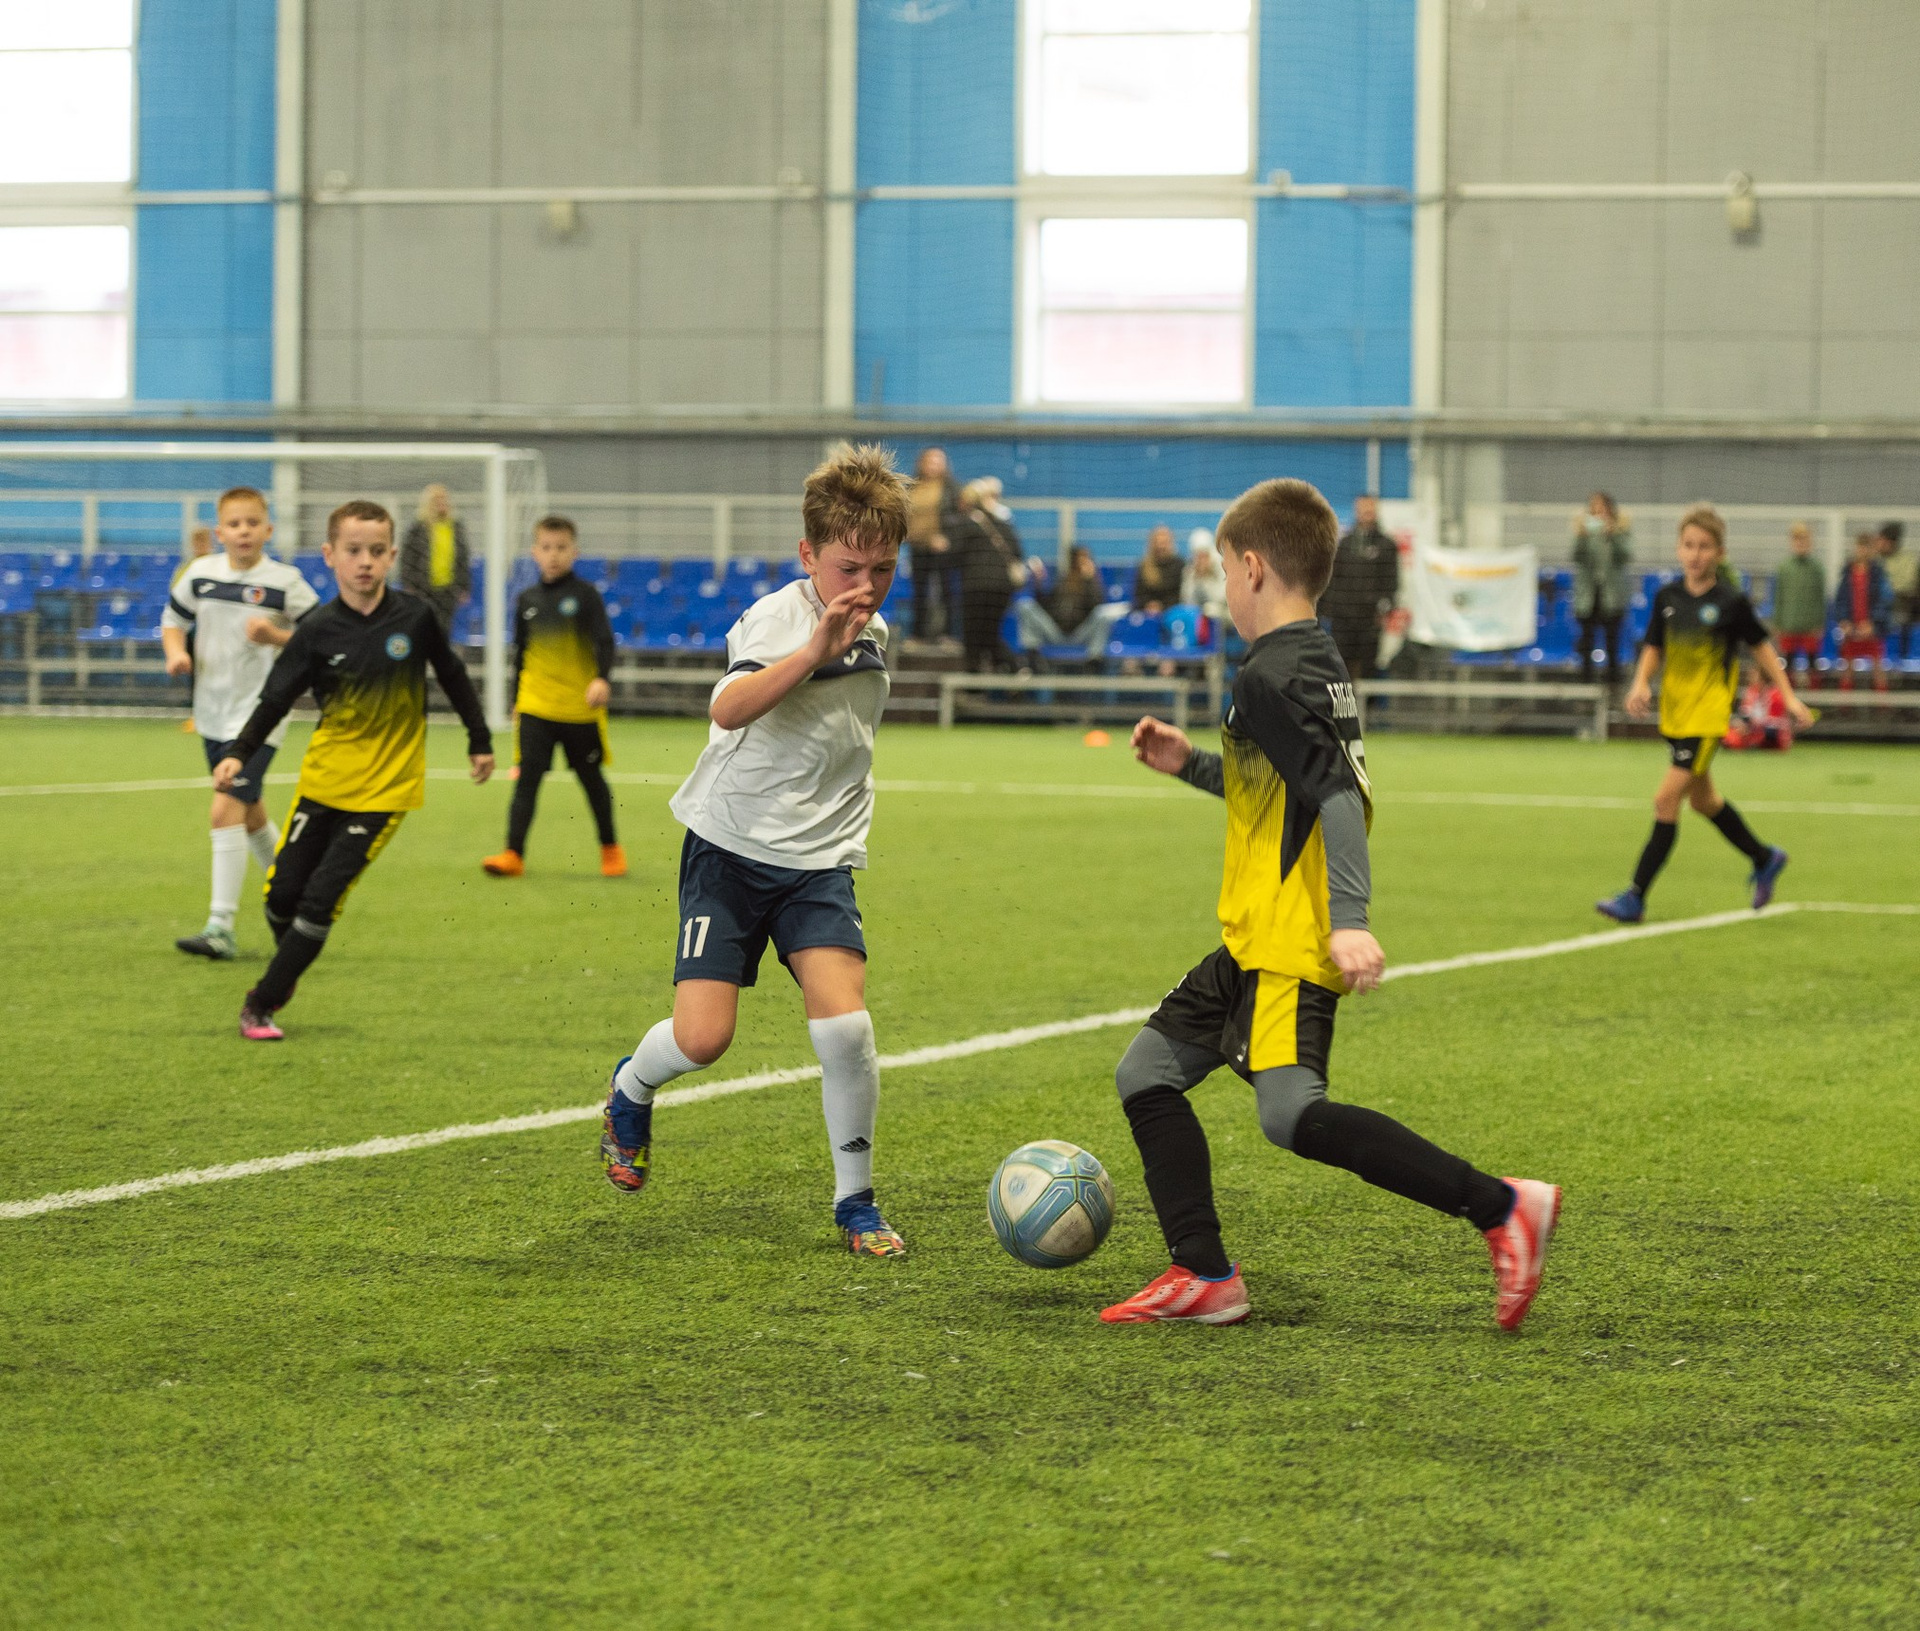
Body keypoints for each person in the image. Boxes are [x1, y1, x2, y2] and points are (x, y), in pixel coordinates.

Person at [1103, 476, 1561, 1331]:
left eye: (1223, 572)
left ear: (1252, 568)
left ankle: (1502, 1206)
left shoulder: (1270, 673)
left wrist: (1349, 920)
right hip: (1253, 936)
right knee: (1147, 1074)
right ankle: (1204, 1274)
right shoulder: (1314, 656)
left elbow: (1338, 799)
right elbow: (1282, 786)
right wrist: (1190, 763)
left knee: (1290, 1114)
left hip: (1288, 935)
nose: (1223, 589)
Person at [597, 444, 911, 1259]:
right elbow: (729, 706)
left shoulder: (875, 626)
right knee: (704, 1038)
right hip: (731, 851)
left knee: (847, 1030)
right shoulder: (777, 621)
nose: (866, 584)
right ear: (808, 554)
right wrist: (813, 652)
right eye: (849, 567)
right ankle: (632, 1086)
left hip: (819, 864)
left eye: (883, 568)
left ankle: (856, 1204)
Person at [213, 500, 494, 1040]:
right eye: (353, 550)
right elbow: (275, 698)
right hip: (324, 781)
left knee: (321, 898)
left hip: (386, 790)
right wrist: (238, 752)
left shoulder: (415, 617)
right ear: (330, 555)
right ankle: (294, 956)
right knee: (281, 896)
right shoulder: (317, 629)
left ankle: (262, 1001)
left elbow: (453, 676)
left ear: (392, 555)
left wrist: (478, 739)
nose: (365, 561)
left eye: (376, 551)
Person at [1596, 505, 1812, 925]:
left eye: (1705, 547)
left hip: (1708, 716)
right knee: (1704, 801)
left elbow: (1762, 648)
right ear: (1679, 549)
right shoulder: (1667, 598)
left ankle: (1635, 897)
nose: (1695, 554)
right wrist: (1640, 683)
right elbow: (1654, 646)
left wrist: (1788, 696)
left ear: (1719, 553)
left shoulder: (1730, 602)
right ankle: (1764, 857)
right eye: (1689, 545)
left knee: (1665, 800)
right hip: (1676, 713)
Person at [162, 488, 319, 960]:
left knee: (224, 809)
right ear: (219, 532)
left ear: (268, 530)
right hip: (212, 713)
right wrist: (176, 653)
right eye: (234, 524)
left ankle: (220, 926)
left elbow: (320, 638)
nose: (244, 531)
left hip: (260, 716)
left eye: (253, 523)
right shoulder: (201, 574)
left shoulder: (285, 581)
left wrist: (275, 636)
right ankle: (296, 898)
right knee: (249, 815)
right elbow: (173, 619)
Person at [481, 515, 624, 879]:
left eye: (561, 548)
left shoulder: (586, 596)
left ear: (574, 552)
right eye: (546, 547)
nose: (553, 554)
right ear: (535, 552)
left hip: (579, 708)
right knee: (527, 779)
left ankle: (611, 850)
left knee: (591, 780)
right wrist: (516, 699)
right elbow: (521, 653)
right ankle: (512, 854)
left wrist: (601, 679)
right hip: (536, 705)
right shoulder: (525, 599)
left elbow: (605, 641)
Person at [949, 477, 1025, 673]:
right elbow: (1018, 552)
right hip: (1002, 587)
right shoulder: (1001, 522)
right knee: (990, 630)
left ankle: (979, 677)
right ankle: (1009, 667)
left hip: (976, 586)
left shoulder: (965, 524)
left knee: (974, 633)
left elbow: (954, 554)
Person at [1322, 494, 1399, 682]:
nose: (1366, 513)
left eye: (1370, 509)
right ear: (1356, 511)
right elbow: (1332, 580)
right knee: (1340, 669)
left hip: (1370, 621)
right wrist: (1328, 610)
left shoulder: (1387, 545)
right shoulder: (1344, 545)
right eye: (1363, 509)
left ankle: (1368, 701)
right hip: (1343, 621)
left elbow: (1391, 582)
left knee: (1368, 670)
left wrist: (1384, 608)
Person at [1571, 492, 1633, 686]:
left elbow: (1626, 556)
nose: (1599, 514)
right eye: (1595, 510)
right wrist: (1581, 536)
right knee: (1586, 640)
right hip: (1588, 596)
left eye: (1602, 509)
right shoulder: (1584, 533)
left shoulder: (1620, 532)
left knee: (1612, 640)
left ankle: (1613, 680)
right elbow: (1575, 556)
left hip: (1612, 596)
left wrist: (1613, 535)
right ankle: (1585, 680)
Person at [1015, 545, 1111, 661]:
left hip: (1080, 634)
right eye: (1080, 558)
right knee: (1025, 605)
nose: (1083, 562)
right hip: (1056, 631)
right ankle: (1032, 656)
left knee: (1102, 615)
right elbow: (1046, 605)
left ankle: (1094, 660)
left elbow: (1096, 604)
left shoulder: (1092, 583)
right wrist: (1038, 583)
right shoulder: (1063, 580)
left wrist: (1089, 579)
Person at [399, 483, 472, 634]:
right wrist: (408, 585)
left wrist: (464, 587)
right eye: (437, 500)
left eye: (444, 500)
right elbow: (408, 558)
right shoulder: (418, 528)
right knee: (424, 627)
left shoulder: (456, 528)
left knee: (444, 629)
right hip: (423, 588)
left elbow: (463, 559)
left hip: (448, 589)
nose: (441, 504)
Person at [905, 447, 959, 642]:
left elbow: (958, 519)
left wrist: (947, 538)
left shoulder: (951, 489)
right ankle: (918, 634)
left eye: (938, 461)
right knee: (919, 592)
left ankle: (947, 634)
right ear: (922, 463)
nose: (934, 465)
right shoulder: (912, 487)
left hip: (942, 549)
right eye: (930, 461)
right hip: (918, 546)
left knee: (945, 591)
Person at [1831, 531, 1893, 693]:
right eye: (1860, 547)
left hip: (1872, 629)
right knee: (1847, 668)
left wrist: (1873, 623)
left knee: (1878, 668)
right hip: (1851, 629)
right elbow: (1840, 600)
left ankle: (1882, 703)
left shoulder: (1878, 573)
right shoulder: (1847, 573)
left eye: (1866, 547)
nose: (1863, 551)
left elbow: (1884, 600)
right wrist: (1844, 621)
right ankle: (1845, 703)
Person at [1769, 522, 1827, 686]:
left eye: (1804, 539)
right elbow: (1778, 597)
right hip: (1789, 624)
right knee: (1788, 663)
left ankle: (1816, 693)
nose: (1801, 543)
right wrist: (1777, 622)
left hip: (1810, 625)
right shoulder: (1784, 568)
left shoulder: (1817, 569)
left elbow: (1821, 599)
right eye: (1797, 539)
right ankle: (1788, 695)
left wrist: (1820, 623)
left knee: (1812, 663)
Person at [1879, 521, 1916, 662]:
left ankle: (1902, 659)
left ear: (1891, 542)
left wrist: (1887, 589)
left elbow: (1906, 585)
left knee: (1902, 620)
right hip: (1878, 607)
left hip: (1901, 605)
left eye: (1882, 541)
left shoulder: (1906, 561)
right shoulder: (1875, 561)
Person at [1131, 525, 1184, 614]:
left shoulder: (1179, 566)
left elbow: (1180, 595)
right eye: (1157, 543)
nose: (1161, 546)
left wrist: (1162, 606)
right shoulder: (1144, 566)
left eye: (1164, 543)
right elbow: (1138, 595)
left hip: (1172, 613)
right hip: (1147, 613)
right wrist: (1148, 605)